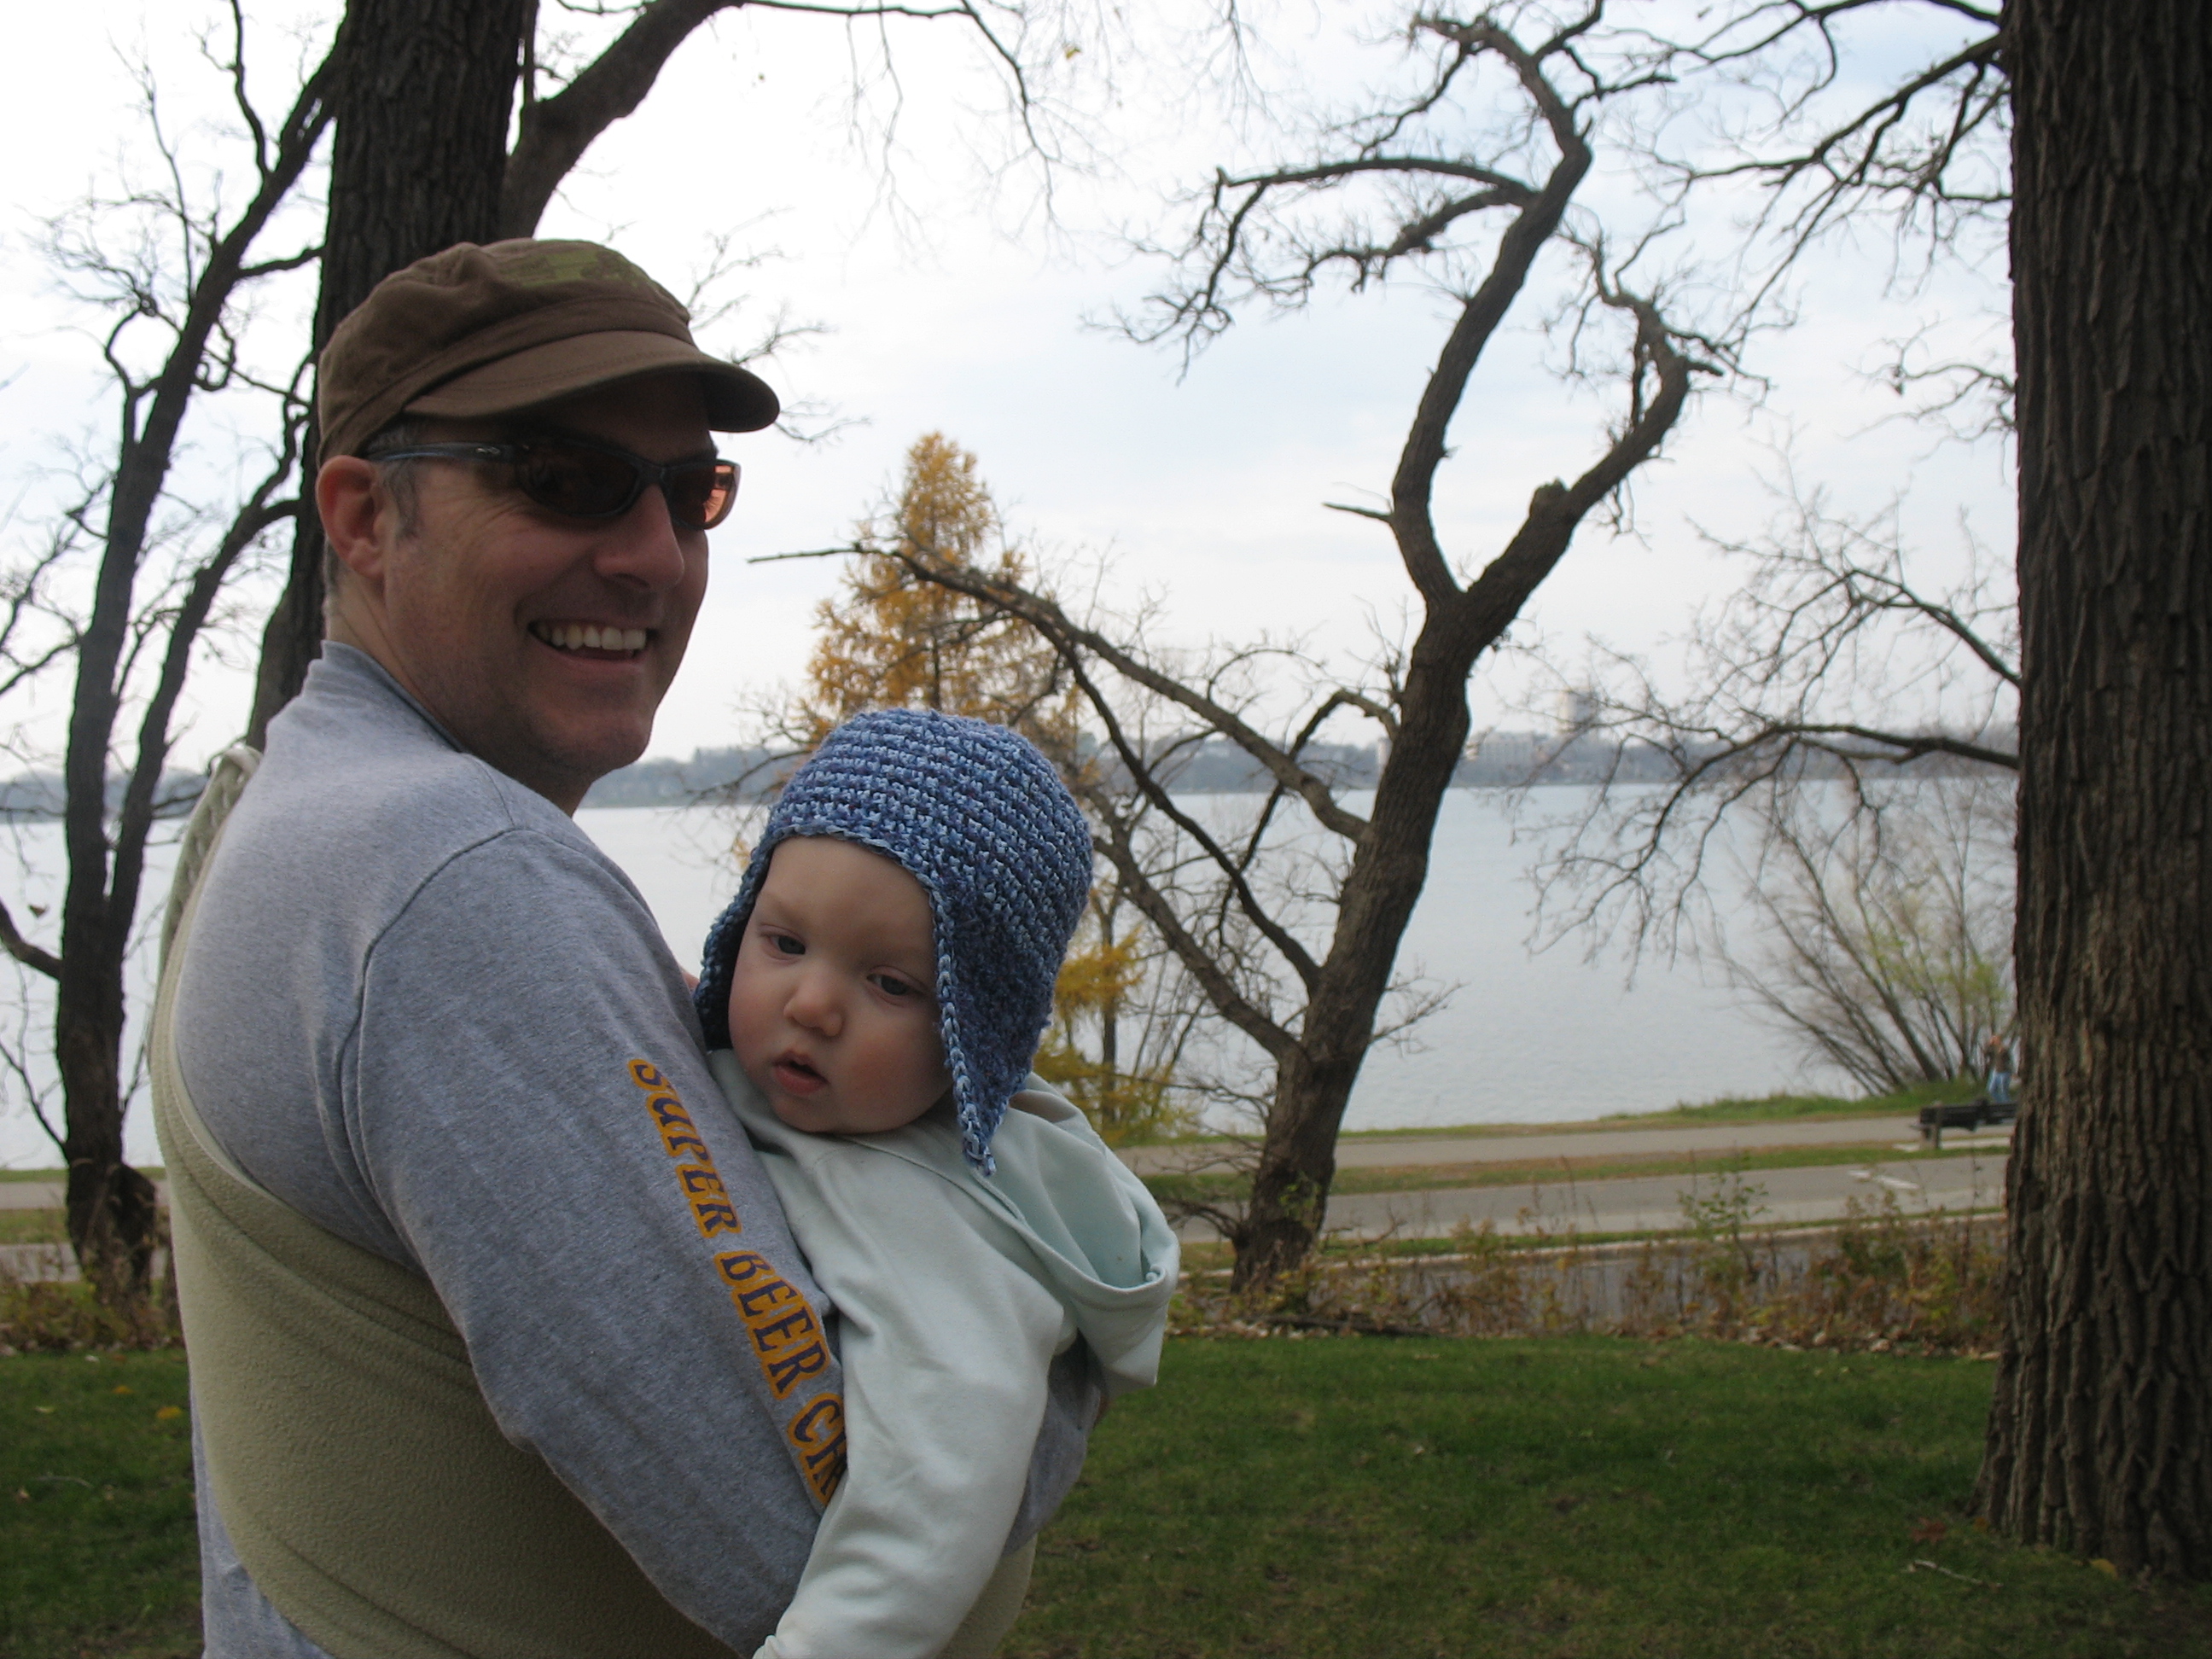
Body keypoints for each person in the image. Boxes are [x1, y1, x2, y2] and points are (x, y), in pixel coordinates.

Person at [149, 240, 1098, 1659]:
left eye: (688, 490)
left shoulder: (288, 805)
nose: (654, 553)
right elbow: (842, 1545)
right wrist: (1060, 1308)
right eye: (564, 478)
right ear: (363, 518)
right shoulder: (452, 879)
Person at [690, 709, 1179, 1659]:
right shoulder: (761, 1073)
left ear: (976, 1035)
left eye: (892, 984)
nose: (812, 1004)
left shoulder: (938, 1238)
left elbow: (933, 1504)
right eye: (783, 943)